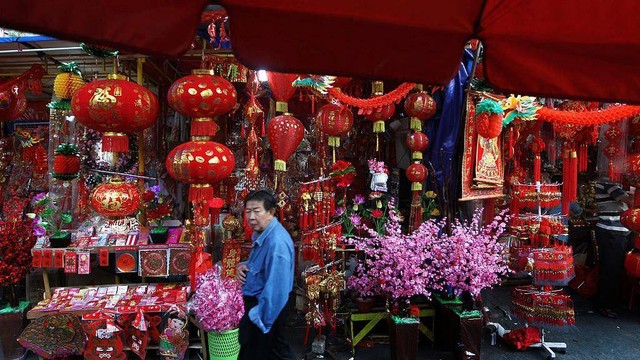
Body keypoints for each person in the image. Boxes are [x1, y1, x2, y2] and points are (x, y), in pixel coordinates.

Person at [236, 190, 295, 360]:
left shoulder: (277, 243)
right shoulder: (264, 235)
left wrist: (259, 318)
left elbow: (276, 290)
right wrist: (244, 266)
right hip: (260, 307)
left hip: (265, 309)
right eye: (248, 212)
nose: (251, 217)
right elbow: (260, 266)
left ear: (271, 212)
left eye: (257, 211)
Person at [594, 177, 632, 318]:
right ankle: (605, 304)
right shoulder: (607, 182)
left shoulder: (616, 183)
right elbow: (630, 201)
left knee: (615, 269)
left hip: (618, 231)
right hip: (611, 231)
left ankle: (611, 301)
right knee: (611, 269)